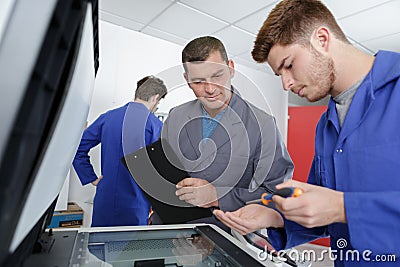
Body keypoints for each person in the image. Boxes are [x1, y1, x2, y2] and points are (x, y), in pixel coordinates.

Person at [213, 0, 400, 265]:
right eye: (279, 74)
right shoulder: (326, 126)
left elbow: (337, 208)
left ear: (322, 39)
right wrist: (274, 217)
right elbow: (322, 213)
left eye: (288, 65)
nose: (286, 84)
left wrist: (344, 207)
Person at [158, 36, 294, 232]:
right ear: (187, 80)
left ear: (231, 68)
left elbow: (278, 194)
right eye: (198, 81)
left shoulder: (263, 125)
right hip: (171, 229)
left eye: (217, 76)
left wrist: (217, 196)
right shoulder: (176, 116)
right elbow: (163, 171)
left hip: (226, 234)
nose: (210, 89)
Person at [73, 75, 167, 227]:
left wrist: (91, 177)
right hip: (135, 203)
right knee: (128, 249)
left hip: (105, 198)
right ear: (155, 97)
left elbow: (77, 148)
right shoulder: (155, 126)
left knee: (100, 246)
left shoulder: (108, 117)